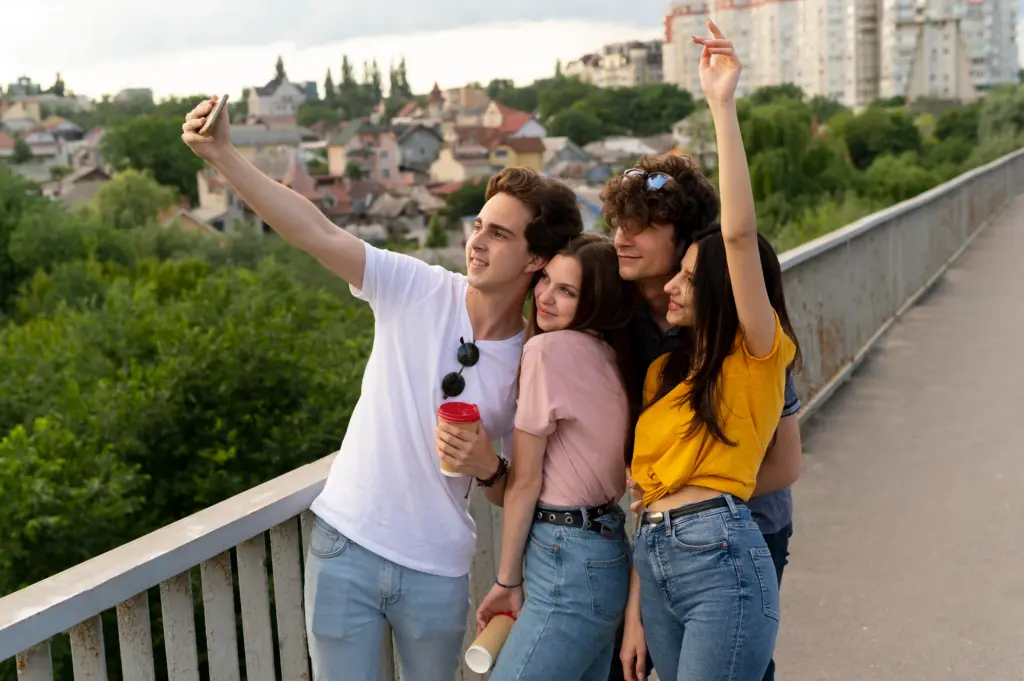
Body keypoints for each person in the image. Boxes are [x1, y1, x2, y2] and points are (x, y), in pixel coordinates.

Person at [181, 100, 583, 681]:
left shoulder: (535, 357)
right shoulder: (416, 287)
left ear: (537, 258)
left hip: (437, 567)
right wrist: (222, 154)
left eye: (498, 234)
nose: (477, 242)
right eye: (478, 226)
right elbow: (312, 229)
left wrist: (487, 466)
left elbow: (519, 488)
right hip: (347, 544)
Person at [619, 21, 800, 681]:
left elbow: (741, 235)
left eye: (690, 278)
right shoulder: (667, 370)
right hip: (657, 555)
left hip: (721, 549)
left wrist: (721, 106)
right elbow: (643, 495)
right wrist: (637, 606)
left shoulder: (756, 352)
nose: (672, 286)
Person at [474, 234, 639, 681]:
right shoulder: (615, 357)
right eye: (545, 279)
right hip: (606, 551)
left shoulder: (548, 351)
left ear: (597, 303)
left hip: (567, 560)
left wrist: (507, 582)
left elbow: (525, 481)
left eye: (567, 291)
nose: (545, 296)